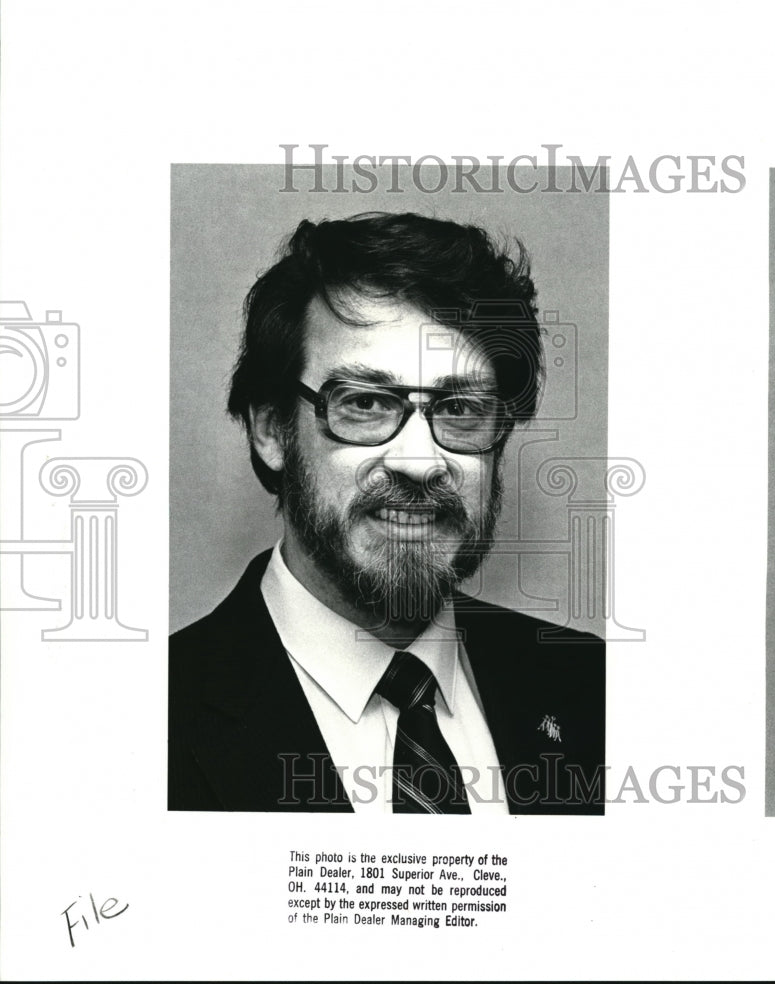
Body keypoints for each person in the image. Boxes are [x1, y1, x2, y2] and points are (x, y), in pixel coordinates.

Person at [168, 212, 604, 814]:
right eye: (366, 403)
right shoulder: (145, 713)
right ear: (271, 428)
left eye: (459, 408)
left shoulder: (595, 688)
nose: (421, 462)